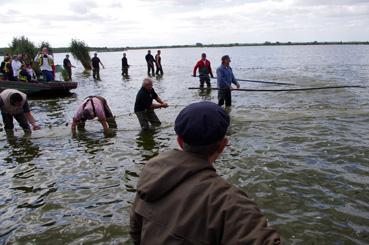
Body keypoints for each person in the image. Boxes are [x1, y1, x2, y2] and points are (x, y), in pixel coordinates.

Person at [130, 101, 281, 244]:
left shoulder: (150, 177)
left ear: (180, 141)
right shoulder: (230, 203)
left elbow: (136, 231)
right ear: (222, 146)